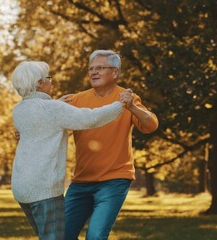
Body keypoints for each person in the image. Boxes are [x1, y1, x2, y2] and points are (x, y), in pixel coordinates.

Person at [10, 61, 128, 240]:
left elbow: (41, 119)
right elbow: (90, 119)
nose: (52, 82)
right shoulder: (53, 109)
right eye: (49, 78)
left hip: (22, 187)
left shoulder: (19, 110)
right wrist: (120, 105)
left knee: (49, 235)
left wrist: (57, 104)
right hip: (44, 189)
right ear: (39, 83)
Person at [63, 50, 159, 239]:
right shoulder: (76, 100)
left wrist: (132, 107)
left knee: (96, 235)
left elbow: (151, 125)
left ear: (115, 72)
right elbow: (52, 125)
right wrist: (25, 132)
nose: (93, 72)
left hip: (114, 179)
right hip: (81, 181)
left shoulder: (127, 98)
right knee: (60, 235)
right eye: (91, 69)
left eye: (100, 68)